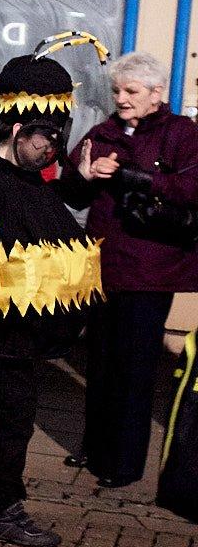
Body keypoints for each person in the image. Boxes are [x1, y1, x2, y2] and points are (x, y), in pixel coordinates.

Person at [0, 35, 107, 547]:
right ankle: (1, 504)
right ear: (17, 127)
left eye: (57, 135)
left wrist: (76, 183)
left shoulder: (23, 176)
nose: (52, 148)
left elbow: (42, 222)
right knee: (9, 417)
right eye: (45, 136)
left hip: (22, 333)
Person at [63, 51, 198, 488]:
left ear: (157, 94)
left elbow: (190, 188)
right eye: (117, 90)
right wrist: (82, 175)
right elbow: (75, 195)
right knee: (100, 363)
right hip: (104, 268)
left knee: (135, 369)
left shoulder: (182, 133)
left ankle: (123, 464)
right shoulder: (101, 132)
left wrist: (131, 176)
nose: (121, 98)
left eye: (131, 91)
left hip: (151, 270)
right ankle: (95, 447)